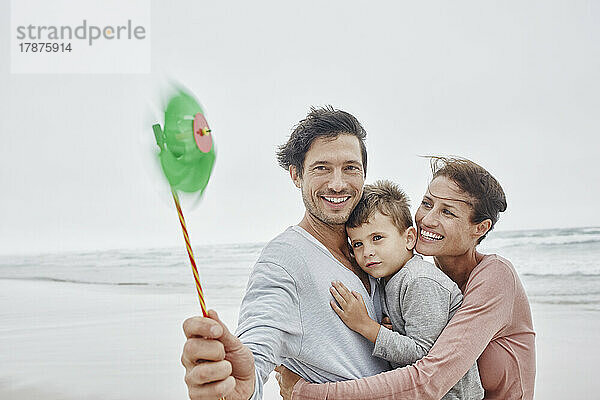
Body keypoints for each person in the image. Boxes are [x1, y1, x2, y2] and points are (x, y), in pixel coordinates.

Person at [276, 157, 536, 400]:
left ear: (480, 228)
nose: (427, 219)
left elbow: (428, 380)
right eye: (426, 203)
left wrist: (308, 393)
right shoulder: (415, 276)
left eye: (448, 212)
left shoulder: (494, 277)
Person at [180, 106, 391, 400]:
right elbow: (259, 335)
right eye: (322, 168)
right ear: (296, 175)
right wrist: (240, 383)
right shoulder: (284, 260)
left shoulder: (374, 248)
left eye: (350, 168)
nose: (338, 183)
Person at [329, 179, 483, 399]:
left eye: (377, 238)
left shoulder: (419, 280)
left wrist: (366, 325)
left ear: (409, 238)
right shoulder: (388, 279)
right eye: (357, 244)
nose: (367, 252)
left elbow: (424, 355)